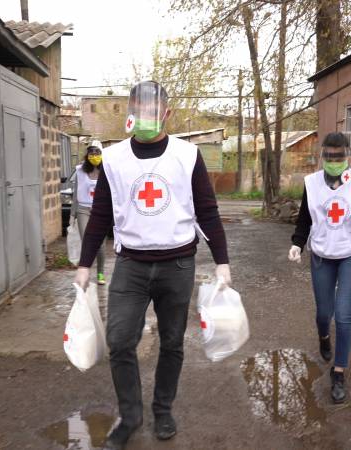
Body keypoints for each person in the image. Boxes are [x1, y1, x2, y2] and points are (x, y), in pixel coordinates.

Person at [74, 80, 231, 450]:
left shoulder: (187, 155)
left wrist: (222, 262)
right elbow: (100, 217)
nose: (144, 117)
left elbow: (207, 211)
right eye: (138, 111)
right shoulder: (113, 159)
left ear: (166, 113)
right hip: (131, 266)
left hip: (178, 265)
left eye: (151, 111)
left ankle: (163, 409)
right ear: (130, 114)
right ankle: (130, 416)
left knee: (173, 342)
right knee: (119, 340)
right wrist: (84, 265)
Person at [288, 132, 351, 404]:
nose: (334, 161)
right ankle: (324, 336)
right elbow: (304, 220)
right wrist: (298, 244)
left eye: (339, 156)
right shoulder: (311, 183)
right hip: (322, 255)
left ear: (348, 155)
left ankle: (339, 372)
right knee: (325, 313)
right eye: (329, 157)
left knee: (343, 315)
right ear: (323, 156)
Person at [70, 140, 106, 284]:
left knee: (100, 244)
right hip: (83, 209)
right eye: (91, 152)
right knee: (87, 239)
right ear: (87, 154)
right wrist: (72, 215)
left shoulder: (107, 170)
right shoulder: (80, 170)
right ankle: (85, 271)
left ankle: (101, 273)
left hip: (100, 210)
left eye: (97, 152)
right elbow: (75, 194)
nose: (94, 155)